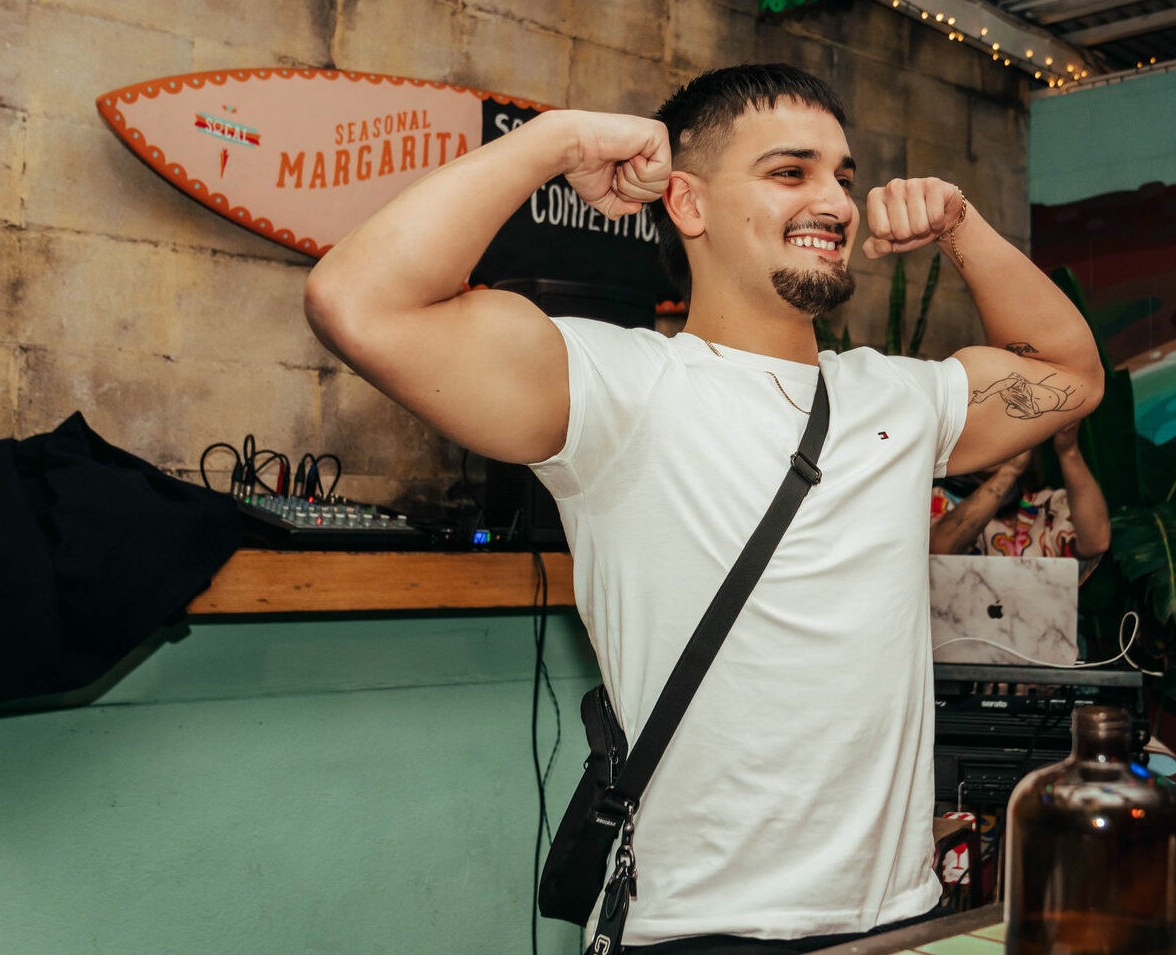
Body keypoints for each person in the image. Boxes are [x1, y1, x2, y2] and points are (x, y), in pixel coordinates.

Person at [304, 64, 1100, 953]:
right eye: (789, 172)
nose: (835, 200)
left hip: (897, 917)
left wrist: (958, 223)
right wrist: (557, 139)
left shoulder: (901, 399)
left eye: (842, 174)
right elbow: (358, 301)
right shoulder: (620, 387)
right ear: (687, 203)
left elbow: (1070, 374)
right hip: (702, 928)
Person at [928, 421, 1110, 580]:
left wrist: (1068, 451)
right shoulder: (941, 499)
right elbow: (939, 549)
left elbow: (1097, 542)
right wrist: (1010, 471)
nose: (996, 440)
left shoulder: (1047, 505)